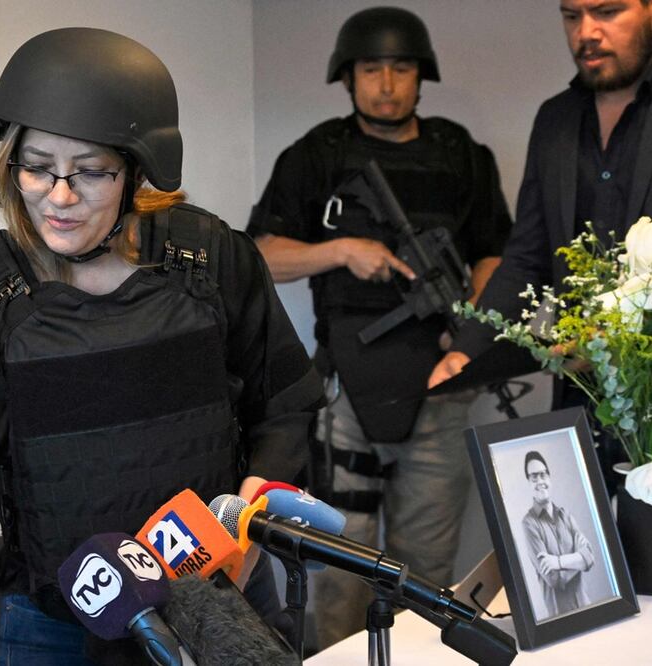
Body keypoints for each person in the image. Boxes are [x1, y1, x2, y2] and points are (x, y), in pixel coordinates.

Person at [0, 27, 324, 666]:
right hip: (56, 632)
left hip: (223, 601)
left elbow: (287, 402)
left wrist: (248, 517)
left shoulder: (211, 262)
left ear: (138, 173)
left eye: (91, 172)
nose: (60, 197)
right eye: (38, 168)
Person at [246, 7, 512, 650]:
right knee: (339, 573)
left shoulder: (460, 156)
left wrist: (470, 323)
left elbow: (498, 253)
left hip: (439, 389)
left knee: (425, 573)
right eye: (372, 69)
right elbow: (259, 253)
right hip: (345, 397)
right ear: (349, 77)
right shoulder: (318, 156)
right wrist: (340, 251)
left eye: (401, 69)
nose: (387, 84)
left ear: (422, 77)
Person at [429, 0, 652, 494]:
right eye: (572, 16)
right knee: (588, 559)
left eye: (607, 12)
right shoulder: (556, 119)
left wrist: (614, 337)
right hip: (580, 404)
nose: (587, 32)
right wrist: (469, 348)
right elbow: (528, 256)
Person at [521, 450, 595, 618]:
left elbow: (591, 557)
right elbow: (554, 579)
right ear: (528, 482)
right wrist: (579, 559)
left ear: (549, 477)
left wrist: (558, 562)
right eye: (534, 477)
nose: (540, 481)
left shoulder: (566, 515)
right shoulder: (529, 524)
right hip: (561, 618)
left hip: (587, 606)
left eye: (543, 474)